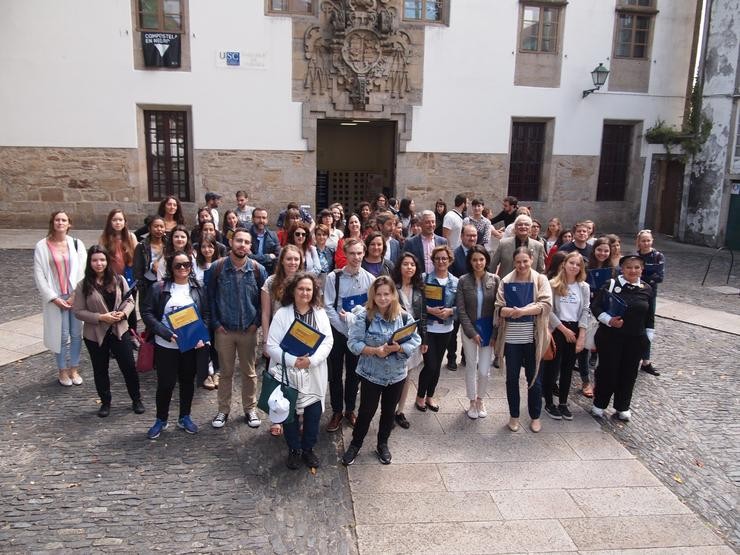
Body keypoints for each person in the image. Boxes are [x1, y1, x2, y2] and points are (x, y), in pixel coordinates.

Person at [342, 276, 422, 466]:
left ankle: (382, 444)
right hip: (371, 374)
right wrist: (374, 351)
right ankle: (355, 444)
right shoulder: (364, 316)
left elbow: (415, 339)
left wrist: (399, 348)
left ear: (393, 294)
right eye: (379, 294)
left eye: (387, 294)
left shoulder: (403, 317)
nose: (383, 298)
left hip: (396, 375)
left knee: (388, 412)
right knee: (366, 412)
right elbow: (353, 343)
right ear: (373, 295)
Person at [265, 273, 334, 470]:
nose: (305, 293)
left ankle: (308, 449)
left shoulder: (320, 313)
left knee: (313, 412)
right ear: (293, 291)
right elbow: (272, 346)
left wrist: (311, 360)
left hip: (313, 372)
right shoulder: (282, 314)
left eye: (309, 289)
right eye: (301, 289)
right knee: (290, 412)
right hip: (289, 373)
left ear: (314, 292)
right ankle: (294, 449)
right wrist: (294, 361)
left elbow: (328, 341)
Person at [142, 251, 209, 439]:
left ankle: (184, 417)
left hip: (190, 346)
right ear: (171, 268)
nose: (182, 268)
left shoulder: (198, 288)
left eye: (186, 265)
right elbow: (147, 314)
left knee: (187, 382)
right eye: (178, 265)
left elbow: (206, 315)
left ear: (191, 267)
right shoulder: (158, 288)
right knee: (165, 384)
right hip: (166, 345)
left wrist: (201, 335)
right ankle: (161, 419)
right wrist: (164, 332)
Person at [73, 245, 144, 417]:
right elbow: (78, 311)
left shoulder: (118, 279)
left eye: (102, 260)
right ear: (89, 262)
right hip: (95, 334)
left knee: (128, 367)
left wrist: (123, 313)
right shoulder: (83, 285)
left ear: (107, 261)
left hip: (119, 330)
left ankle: (136, 399)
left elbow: (130, 301)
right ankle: (105, 402)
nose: (99, 264)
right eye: (95, 260)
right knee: (100, 369)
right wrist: (100, 317)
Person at [209, 229, 267, 429]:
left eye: (246, 242)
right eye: (239, 241)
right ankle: (223, 410)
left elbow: (263, 300)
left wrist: (256, 323)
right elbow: (210, 299)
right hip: (224, 330)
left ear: (251, 246)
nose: (242, 245)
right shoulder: (217, 268)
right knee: (225, 372)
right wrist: (216, 324)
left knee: (249, 372)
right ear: (231, 242)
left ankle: (250, 409)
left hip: (248, 331)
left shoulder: (258, 269)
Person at [495, 247, 552, 433]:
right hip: (511, 338)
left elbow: (545, 305)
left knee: (534, 379)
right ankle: (514, 416)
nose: (522, 265)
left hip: (534, 338)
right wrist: (512, 311)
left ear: (531, 259)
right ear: (513, 262)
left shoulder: (540, 279)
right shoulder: (506, 280)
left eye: (525, 261)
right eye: (518, 262)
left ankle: (535, 416)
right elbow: (498, 308)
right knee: (511, 378)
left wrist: (522, 311)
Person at [590, 254, 654, 421]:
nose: (633, 270)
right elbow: (595, 307)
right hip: (610, 337)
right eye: (629, 267)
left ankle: (622, 406)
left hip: (635, 339)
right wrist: (609, 320)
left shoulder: (647, 288)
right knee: (607, 371)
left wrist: (647, 339)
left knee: (629, 373)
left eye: (637, 267)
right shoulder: (611, 284)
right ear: (622, 268)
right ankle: (599, 404)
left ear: (642, 269)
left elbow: (650, 315)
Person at [323, 238, 375, 432]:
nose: (356, 257)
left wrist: (355, 324)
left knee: (355, 374)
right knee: (335, 374)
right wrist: (343, 328)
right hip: (337, 334)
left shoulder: (370, 279)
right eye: (352, 253)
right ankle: (336, 411)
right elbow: (327, 306)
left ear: (364, 253)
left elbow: (371, 307)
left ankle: (350, 410)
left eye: (359, 253)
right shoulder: (332, 278)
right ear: (345, 254)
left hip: (358, 334)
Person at [34, 211, 86, 386]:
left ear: (69, 223)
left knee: (77, 334)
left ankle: (74, 368)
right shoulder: (42, 246)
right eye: (57, 220)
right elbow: (39, 275)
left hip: (75, 296)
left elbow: (84, 272)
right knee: (61, 336)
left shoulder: (76, 244)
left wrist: (74, 295)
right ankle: (62, 370)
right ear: (52, 223)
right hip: (56, 297)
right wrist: (54, 298)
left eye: (64, 220)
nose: (60, 223)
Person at [261, 244, 304, 436]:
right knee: (278, 378)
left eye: (296, 259)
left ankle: (299, 414)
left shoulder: (304, 280)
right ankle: (277, 417)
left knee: (300, 378)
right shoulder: (271, 282)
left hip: (300, 337)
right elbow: (265, 313)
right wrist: (265, 341)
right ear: (282, 261)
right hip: (278, 338)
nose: (293, 262)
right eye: (289, 259)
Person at [542, 252, 589, 421]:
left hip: (575, 328)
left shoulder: (583, 287)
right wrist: (563, 329)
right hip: (557, 328)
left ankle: (563, 402)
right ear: (564, 264)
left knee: (568, 369)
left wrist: (581, 333)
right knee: (552, 368)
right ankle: (549, 402)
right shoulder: (553, 284)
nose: (574, 267)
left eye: (578, 264)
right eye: (572, 263)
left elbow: (585, 310)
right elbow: (548, 310)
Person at [456, 245, 499, 419]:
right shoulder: (463, 281)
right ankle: (472, 401)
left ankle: (481, 399)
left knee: (484, 369)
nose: (478, 263)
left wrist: (495, 333)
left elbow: (499, 308)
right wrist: (471, 332)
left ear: (486, 260)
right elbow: (461, 309)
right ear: (470, 261)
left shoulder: (495, 280)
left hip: (488, 330)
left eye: (481, 259)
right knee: (471, 367)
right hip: (469, 331)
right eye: (474, 260)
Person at [416, 245, 458, 412]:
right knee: (430, 365)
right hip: (428, 329)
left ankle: (430, 396)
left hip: (446, 329)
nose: (441, 261)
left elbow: (460, 306)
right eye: (437, 258)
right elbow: (417, 303)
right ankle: (419, 396)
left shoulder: (455, 281)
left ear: (449, 261)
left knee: (438, 364)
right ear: (432, 260)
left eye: (444, 259)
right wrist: (429, 310)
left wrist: (450, 311)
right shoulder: (424, 279)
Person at [392, 253, 427, 429]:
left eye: (412, 264)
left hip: (414, 338)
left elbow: (423, 315)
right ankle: (389, 411)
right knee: (395, 376)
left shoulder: (420, 288)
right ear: (400, 267)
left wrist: (425, 339)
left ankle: (400, 411)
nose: (409, 267)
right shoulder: (392, 288)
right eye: (405, 264)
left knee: (407, 376)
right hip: (396, 338)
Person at [98, 209, 139, 329]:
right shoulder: (104, 238)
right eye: (114, 220)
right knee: (112, 306)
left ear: (125, 222)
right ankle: (116, 331)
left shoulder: (130, 237)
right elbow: (100, 257)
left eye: (120, 220)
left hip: (129, 279)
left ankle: (132, 334)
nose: (117, 223)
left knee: (129, 307)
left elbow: (137, 258)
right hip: (111, 278)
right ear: (110, 222)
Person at [193, 237, 223, 390]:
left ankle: (216, 371)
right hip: (199, 307)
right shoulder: (195, 265)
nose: (207, 250)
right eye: (204, 247)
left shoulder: (220, 265)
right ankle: (205, 372)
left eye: (210, 246)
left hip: (216, 306)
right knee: (202, 340)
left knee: (215, 340)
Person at [636, 229, 664, 376]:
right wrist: (647, 277)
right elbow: (632, 275)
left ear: (652, 241)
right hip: (636, 294)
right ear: (639, 242)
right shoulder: (635, 257)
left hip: (650, 295)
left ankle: (646, 360)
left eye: (648, 240)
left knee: (648, 325)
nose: (646, 243)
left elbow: (659, 277)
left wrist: (643, 278)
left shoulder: (658, 256)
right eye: (643, 240)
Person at [402, 210, 448, 275]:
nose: (431, 225)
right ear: (420, 224)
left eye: (433, 222)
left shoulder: (442, 242)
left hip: (437, 281)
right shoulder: (410, 243)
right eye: (427, 222)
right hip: (418, 280)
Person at [133, 215, 166, 303]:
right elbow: (137, 269)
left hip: (166, 282)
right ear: (149, 228)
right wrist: (141, 286)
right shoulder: (142, 246)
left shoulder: (169, 244)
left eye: (161, 226)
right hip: (148, 283)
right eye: (156, 226)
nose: (159, 229)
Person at [249, 207, 281, 275]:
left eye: (264, 218)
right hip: (250, 271)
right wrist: (269, 257)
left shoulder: (273, 235)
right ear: (252, 219)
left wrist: (253, 256)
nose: (261, 220)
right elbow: (247, 257)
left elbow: (278, 256)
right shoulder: (247, 235)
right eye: (258, 217)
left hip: (268, 272)